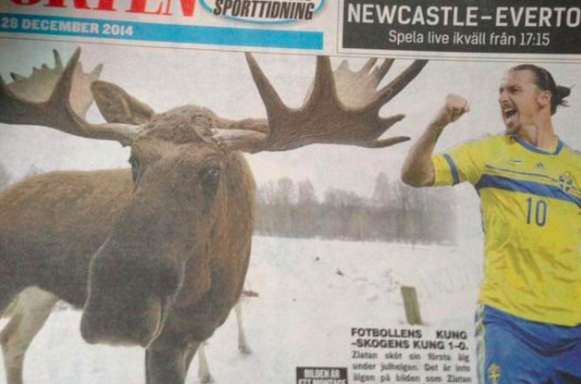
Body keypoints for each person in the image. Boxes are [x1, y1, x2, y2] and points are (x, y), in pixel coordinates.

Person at [401, 65, 581, 383]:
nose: (502, 98)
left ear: (543, 98)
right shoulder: (486, 152)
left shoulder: (575, 167)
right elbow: (416, 175)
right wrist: (438, 122)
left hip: (573, 332)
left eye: (513, 90)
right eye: (500, 91)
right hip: (510, 326)